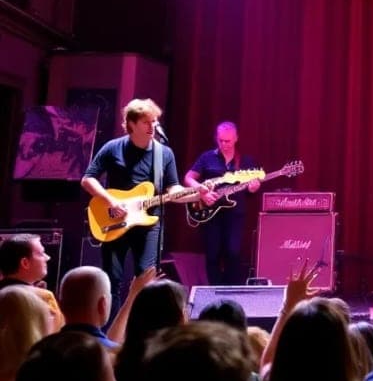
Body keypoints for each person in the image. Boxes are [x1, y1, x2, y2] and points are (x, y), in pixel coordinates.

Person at [81, 99, 190, 308]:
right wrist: (111, 201)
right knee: (111, 280)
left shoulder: (164, 153)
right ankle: (112, 325)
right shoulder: (113, 148)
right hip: (115, 220)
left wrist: (197, 194)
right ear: (131, 124)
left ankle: (140, 325)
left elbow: (173, 190)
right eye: (146, 122)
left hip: (149, 223)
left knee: (146, 281)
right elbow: (88, 179)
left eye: (155, 121)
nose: (153, 126)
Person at [184, 122, 261, 285]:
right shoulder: (207, 157)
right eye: (221, 141)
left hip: (235, 214)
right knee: (212, 254)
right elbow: (188, 178)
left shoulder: (246, 162)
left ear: (236, 139)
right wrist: (202, 191)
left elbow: (252, 188)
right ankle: (214, 290)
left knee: (233, 253)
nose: (224, 144)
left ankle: (230, 290)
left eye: (228, 141)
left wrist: (253, 188)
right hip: (210, 213)